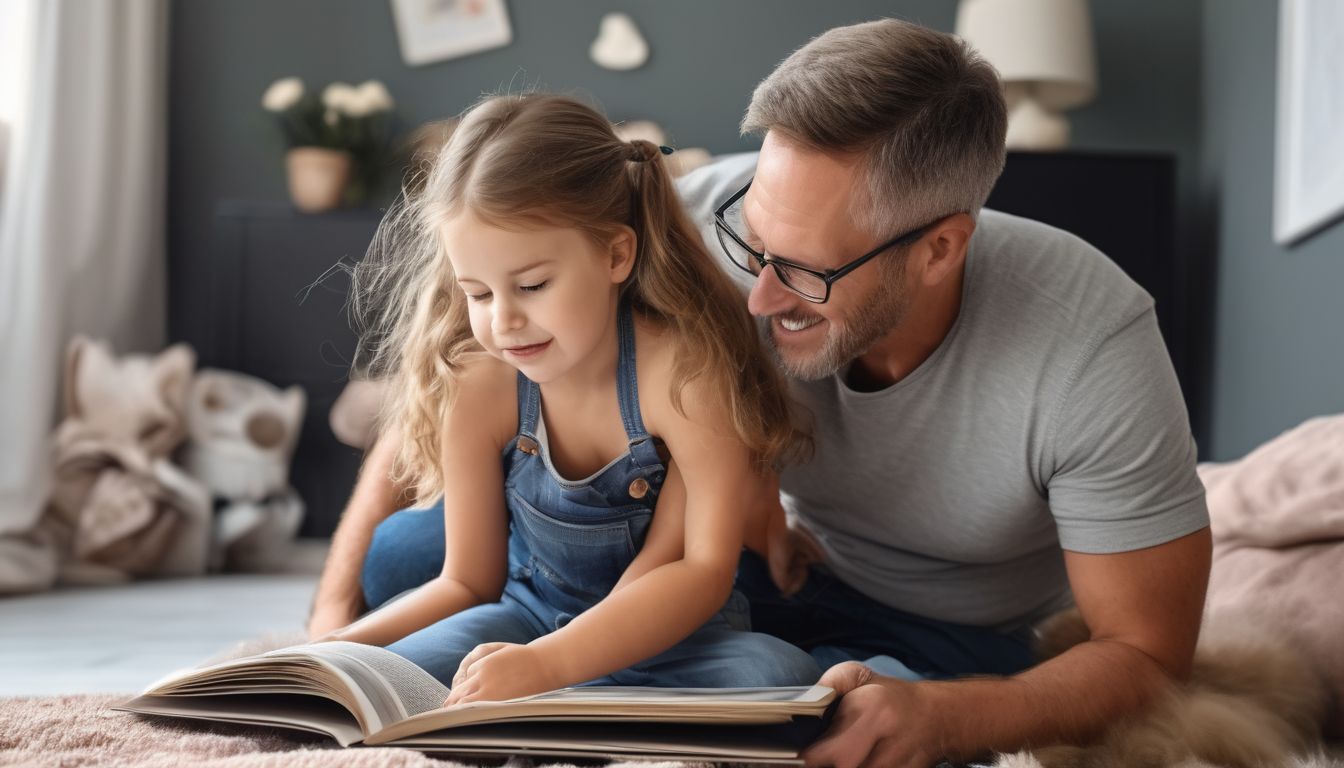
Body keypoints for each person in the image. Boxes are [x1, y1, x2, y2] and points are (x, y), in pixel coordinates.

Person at [312, 18, 1213, 766]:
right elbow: (468, 375)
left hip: (937, 626)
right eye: (753, 239)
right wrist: (327, 618)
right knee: (402, 555)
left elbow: (1146, 653)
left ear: (939, 249)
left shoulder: (1089, 345)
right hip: (733, 557)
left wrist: (949, 718)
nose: (756, 295)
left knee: (824, 710)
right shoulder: (691, 225)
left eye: (806, 271)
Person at [314, 91, 821, 703]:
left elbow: (702, 572)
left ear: (615, 254)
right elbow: (467, 583)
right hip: (523, 621)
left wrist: (549, 666)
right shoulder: (480, 383)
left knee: (776, 677)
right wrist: (333, 648)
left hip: (668, 637)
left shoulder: (684, 375)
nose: (503, 322)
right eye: (478, 293)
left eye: (532, 285)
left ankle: (574, 695)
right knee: (377, 681)